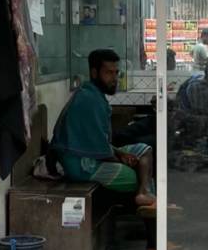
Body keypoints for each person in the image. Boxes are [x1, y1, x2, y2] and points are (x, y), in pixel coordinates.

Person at [49, 48, 157, 212]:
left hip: (96, 154)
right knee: (135, 176)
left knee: (145, 150)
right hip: (81, 164)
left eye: (116, 73)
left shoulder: (95, 95)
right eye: (109, 73)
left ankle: (144, 193)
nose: (114, 78)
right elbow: (97, 146)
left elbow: (98, 141)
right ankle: (146, 204)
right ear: (94, 73)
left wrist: (121, 153)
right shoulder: (88, 99)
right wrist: (121, 160)